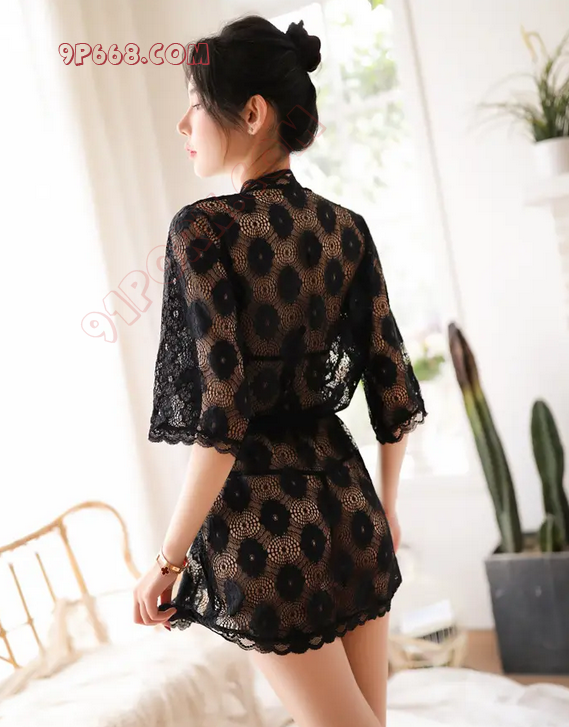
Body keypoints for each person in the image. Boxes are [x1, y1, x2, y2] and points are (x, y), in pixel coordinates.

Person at [135, 14, 428, 727]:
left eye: (196, 104)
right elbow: (393, 387)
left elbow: (223, 419)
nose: (184, 124)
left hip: (264, 529)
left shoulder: (202, 230)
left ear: (253, 113)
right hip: (351, 508)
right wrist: (387, 508)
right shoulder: (347, 229)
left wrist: (168, 560)